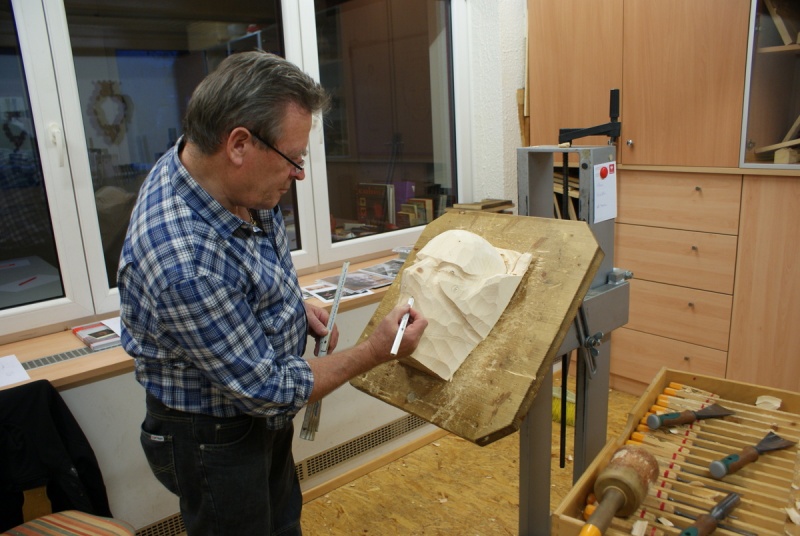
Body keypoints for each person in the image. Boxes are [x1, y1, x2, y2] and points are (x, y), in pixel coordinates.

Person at [117, 50, 427, 536]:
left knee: (282, 523)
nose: (299, 174)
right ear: (239, 144)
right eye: (293, 159)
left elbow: (246, 266)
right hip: (213, 435)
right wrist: (377, 350)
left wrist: (291, 305)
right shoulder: (183, 261)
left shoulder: (214, 172)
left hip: (255, 415)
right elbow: (268, 390)